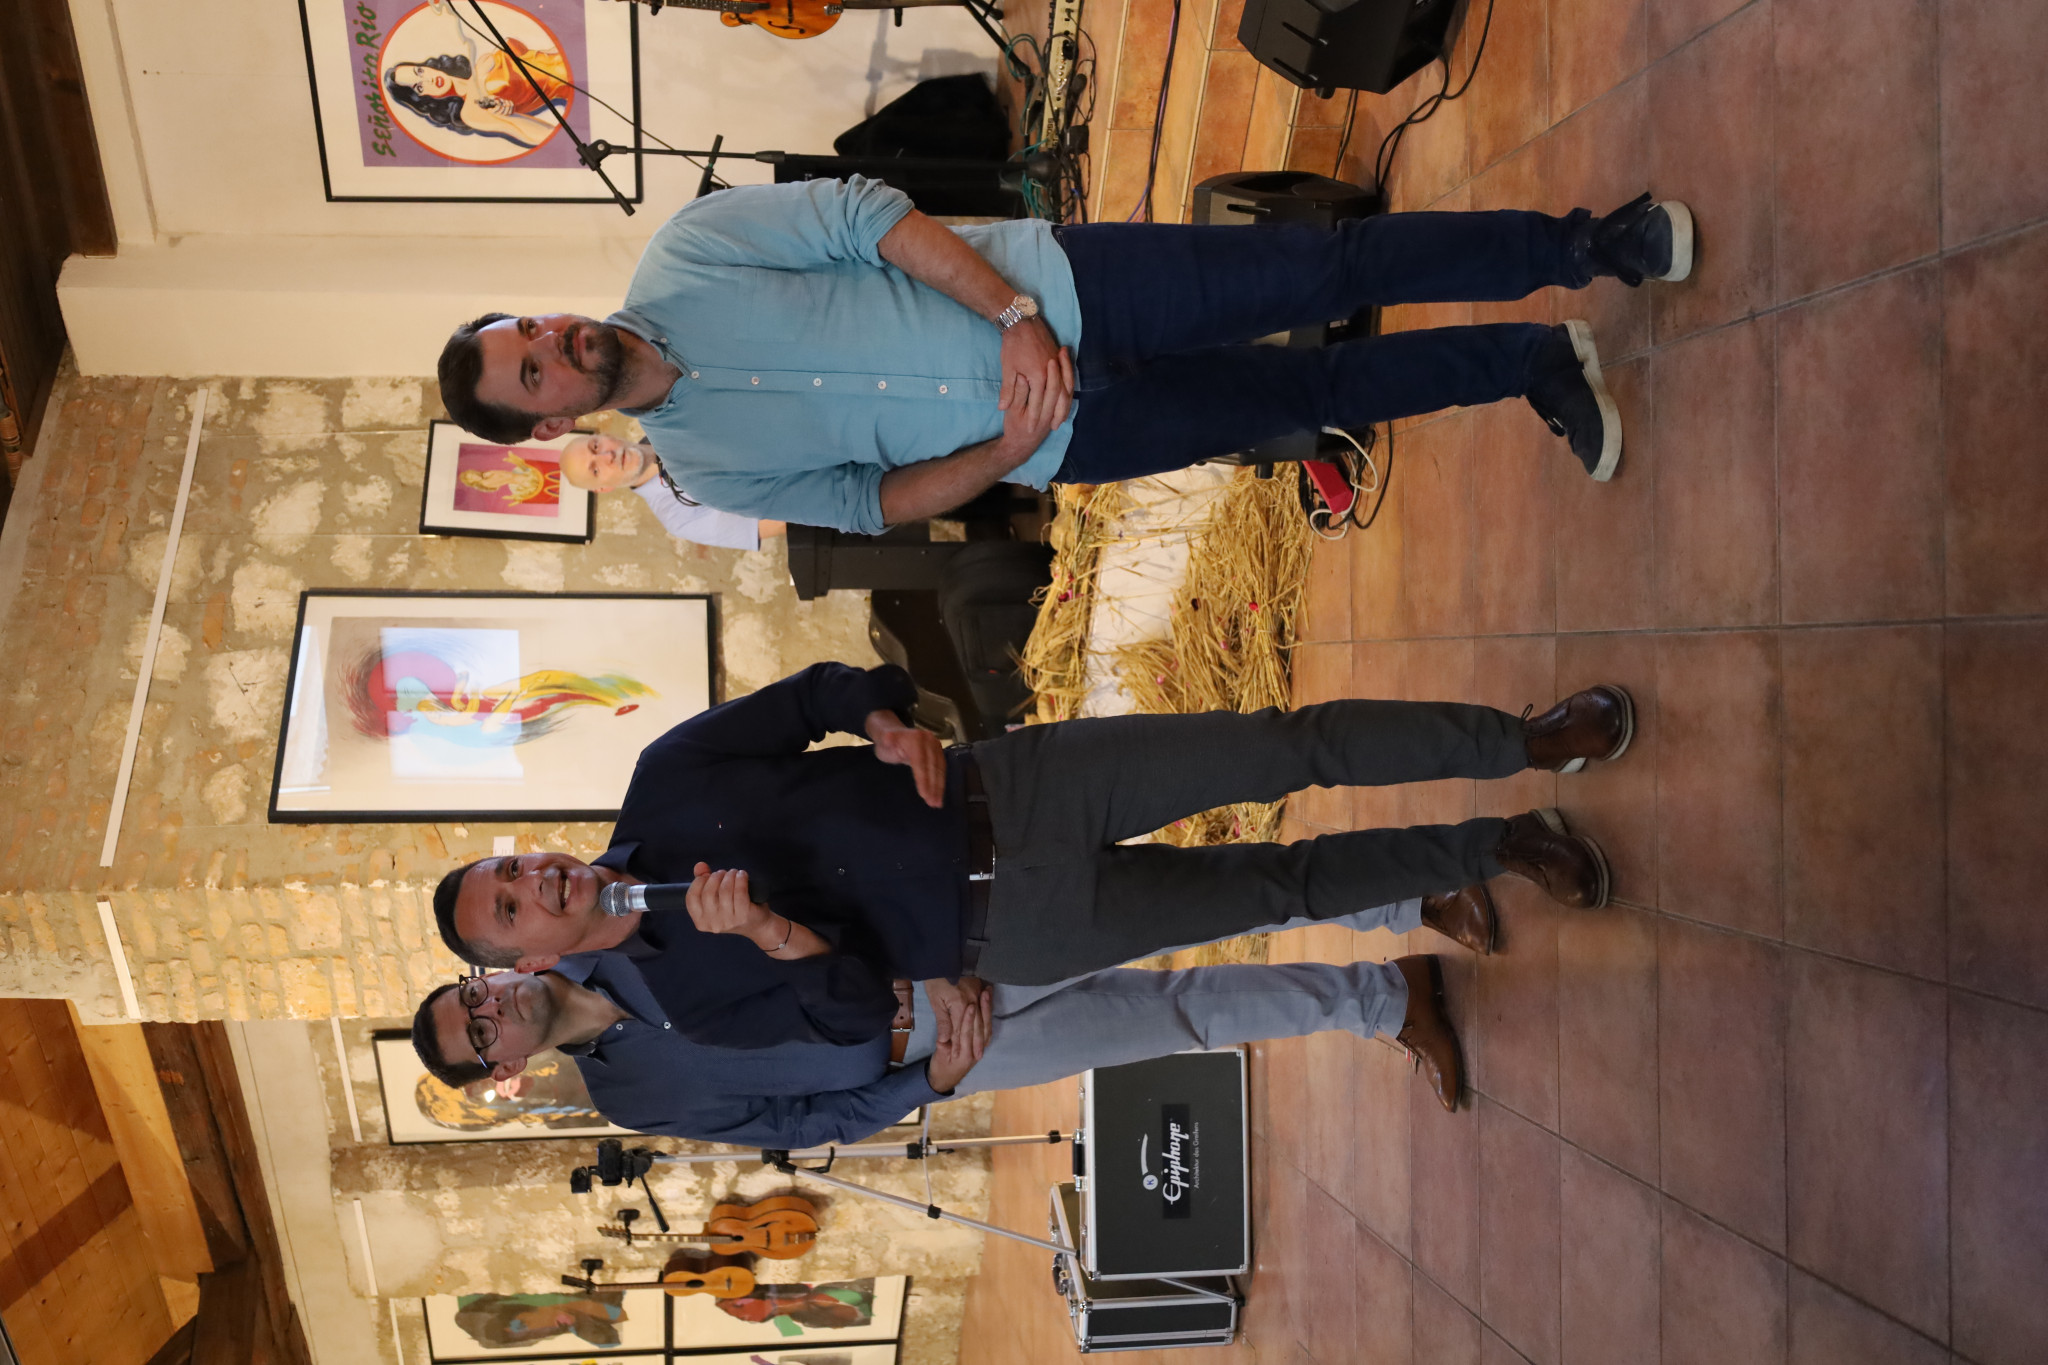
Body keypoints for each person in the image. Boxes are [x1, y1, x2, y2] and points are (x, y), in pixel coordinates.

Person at [429, 661, 1629, 1086]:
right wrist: (771, 939)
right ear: (525, 954)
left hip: (1015, 790)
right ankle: (1499, 847)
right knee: (1282, 885)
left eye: (511, 862)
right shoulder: (691, 1000)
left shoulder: (663, 782)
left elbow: (810, 697)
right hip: (1020, 932)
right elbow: (852, 1015)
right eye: (511, 906)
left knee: (1277, 746)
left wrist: (882, 719)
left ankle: (1520, 741)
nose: (536, 877)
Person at [433, 177, 1693, 533]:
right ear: (549, 426)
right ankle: (1532, 363)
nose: (553, 343)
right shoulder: (706, 473)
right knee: (1314, 394)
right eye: (531, 371)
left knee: (1324, 271)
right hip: (1067, 441)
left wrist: (1013, 317)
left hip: (1070, 290)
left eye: (527, 329)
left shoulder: (689, 250)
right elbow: (872, 503)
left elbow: (866, 216)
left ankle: (1588, 244)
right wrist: (1011, 447)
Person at [411, 875, 1490, 1132]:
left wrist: (922, 960)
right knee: (1176, 1018)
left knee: (1169, 913)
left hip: (935, 964)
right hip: (939, 1057)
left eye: (473, 991)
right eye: (478, 1031)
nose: (490, 1003)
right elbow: (797, 1124)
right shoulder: (631, 1101)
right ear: (501, 1070)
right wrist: (929, 1080)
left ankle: (1407, 894)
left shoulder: (618, 922)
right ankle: (1382, 998)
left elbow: (798, 891)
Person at [384, 5, 572, 151]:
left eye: (420, 72)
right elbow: (546, 135)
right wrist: (509, 114)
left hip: (573, 55)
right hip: (572, 83)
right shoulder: (471, 113)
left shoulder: (478, 60)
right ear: (424, 98)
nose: (428, 80)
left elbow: (544, 56)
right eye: (419, 87)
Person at [561, 433, 786, 552]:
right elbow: (771, 524)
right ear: (603, 488)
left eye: (596, 446)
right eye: (595, 469)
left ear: (604, 435)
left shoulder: (668, 420)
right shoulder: (678, 517)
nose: (607, 456)